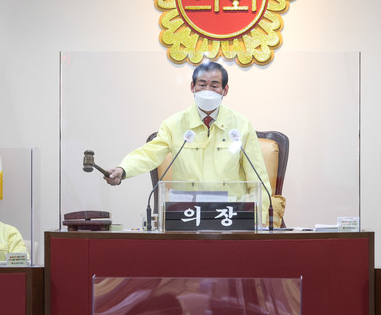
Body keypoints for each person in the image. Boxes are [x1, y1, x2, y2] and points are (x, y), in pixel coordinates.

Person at [106, 61, 272, 225]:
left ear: (225, 90)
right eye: (202, 84)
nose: (207, 91)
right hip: (187, 216)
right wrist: (123, 169)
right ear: (192, 87)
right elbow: (150, 154)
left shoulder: (242, 125)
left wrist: (262, 221)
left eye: (214, 85)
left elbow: (258, 177)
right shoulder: (174, 124)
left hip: (230, 216)